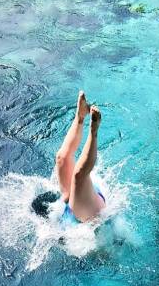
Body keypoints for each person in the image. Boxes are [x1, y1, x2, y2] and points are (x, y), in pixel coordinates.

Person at [33, 91, 108, 224]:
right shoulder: (66, 223)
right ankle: (87, 123)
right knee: (70, 167)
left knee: (69, 166)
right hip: (82, 211)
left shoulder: (65, 216)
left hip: (82, 209)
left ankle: (87, 124)